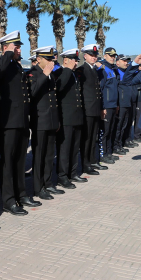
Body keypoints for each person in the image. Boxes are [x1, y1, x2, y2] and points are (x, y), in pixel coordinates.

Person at [0, 31, 38, 216]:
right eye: (15, 46)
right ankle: (8, 200)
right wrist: (8, 53)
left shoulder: (17, 66)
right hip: (8, 122)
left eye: (19, 47)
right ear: (5, 48)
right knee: (8, 162)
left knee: (20, 161)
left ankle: (21, 193)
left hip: (21, 121)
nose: (19, 50)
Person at [29, 46, 63, 200]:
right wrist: (44, 75)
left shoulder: (51, 75)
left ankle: (48, 184)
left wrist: (56, 121)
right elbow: (32, 92)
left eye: (52, 59)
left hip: (51, 120)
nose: (51, 62)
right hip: (40, 121)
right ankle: (38, 187)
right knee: (39, 156)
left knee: (50, 155)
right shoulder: (32, 73)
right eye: (48, 59)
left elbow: (53, 100)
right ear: (39, 59)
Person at [54, 48, 87, 188]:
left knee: (74, 148)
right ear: (66, 60)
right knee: (65, 149)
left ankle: (72, 173)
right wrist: (67, 69)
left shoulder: (73, 74)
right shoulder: (60, 72)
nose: (76, 63)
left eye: (76, 60)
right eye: (74, 60)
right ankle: (62, 176)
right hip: (66, 117)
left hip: (76, 117)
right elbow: (59, 88)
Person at [77, 44, 107, 175]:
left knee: (94, 136)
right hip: (87, 109)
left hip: (94, 109)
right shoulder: (81, 70)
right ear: (85, 56)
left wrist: (101, 108)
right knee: (87, 138)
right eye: (91, 56)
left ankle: (93, 160)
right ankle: (86, 164)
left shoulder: (94, 70)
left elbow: (97, 91)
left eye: (95, 56)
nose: (94, 58)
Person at [99, 47, 121, 163]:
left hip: (113, 104)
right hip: (106, 105)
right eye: (110, 55)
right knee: (105, 131)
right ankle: (103, 154)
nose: (113, 58)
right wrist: (102, 107)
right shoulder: (103, 69)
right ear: (105, 55)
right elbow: (101, 89)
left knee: (111, 129)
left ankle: (108, 152)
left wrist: (116, 104)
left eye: (114, 56)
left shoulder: (112, 69)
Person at [114, 54, 139, 153]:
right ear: (117, 62)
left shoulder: (126, 72)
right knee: (119, 125)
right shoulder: (117, 72)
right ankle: (116, 145)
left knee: (125, 124)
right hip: (121, 102)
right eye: (124, 61)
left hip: (128, 101)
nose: (126, 63)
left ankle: (121, 143)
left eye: (127, 61)